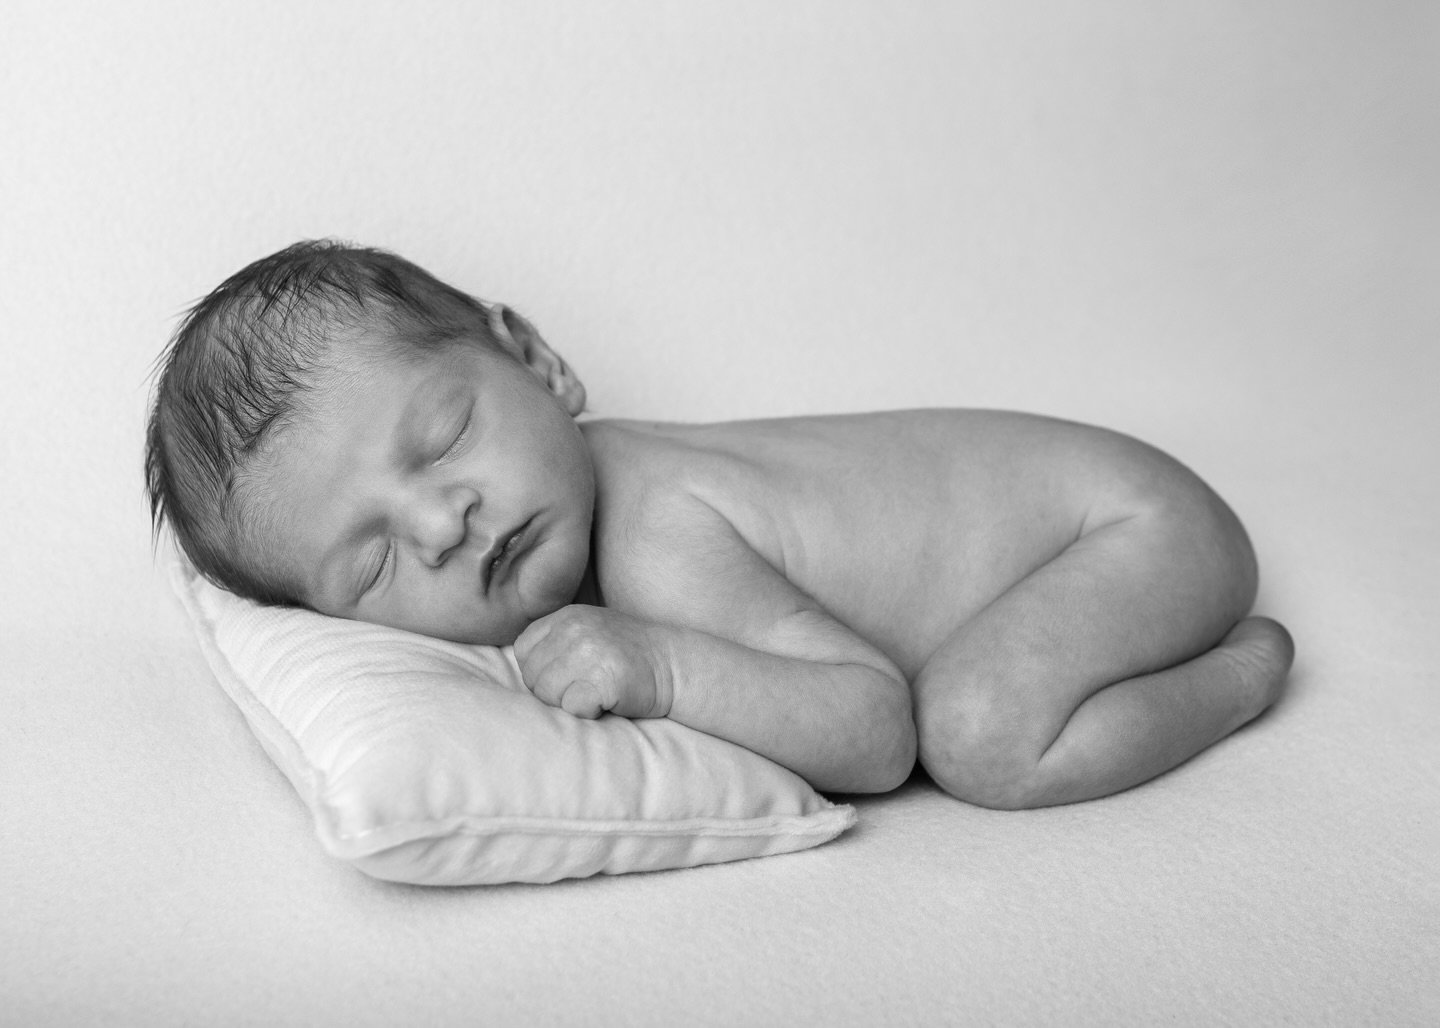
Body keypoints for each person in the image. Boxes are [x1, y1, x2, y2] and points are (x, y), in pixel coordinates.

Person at [145, 240, 1294, 808]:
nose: (441, 523)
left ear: (537, 360)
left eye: (444, 435)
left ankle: (1242, 672)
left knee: (978, 732)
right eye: (372, 563)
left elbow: (875, 727)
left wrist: (664, 668)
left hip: (1129, 525)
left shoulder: (655, 533)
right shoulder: (578, 521)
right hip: (1089, 517)